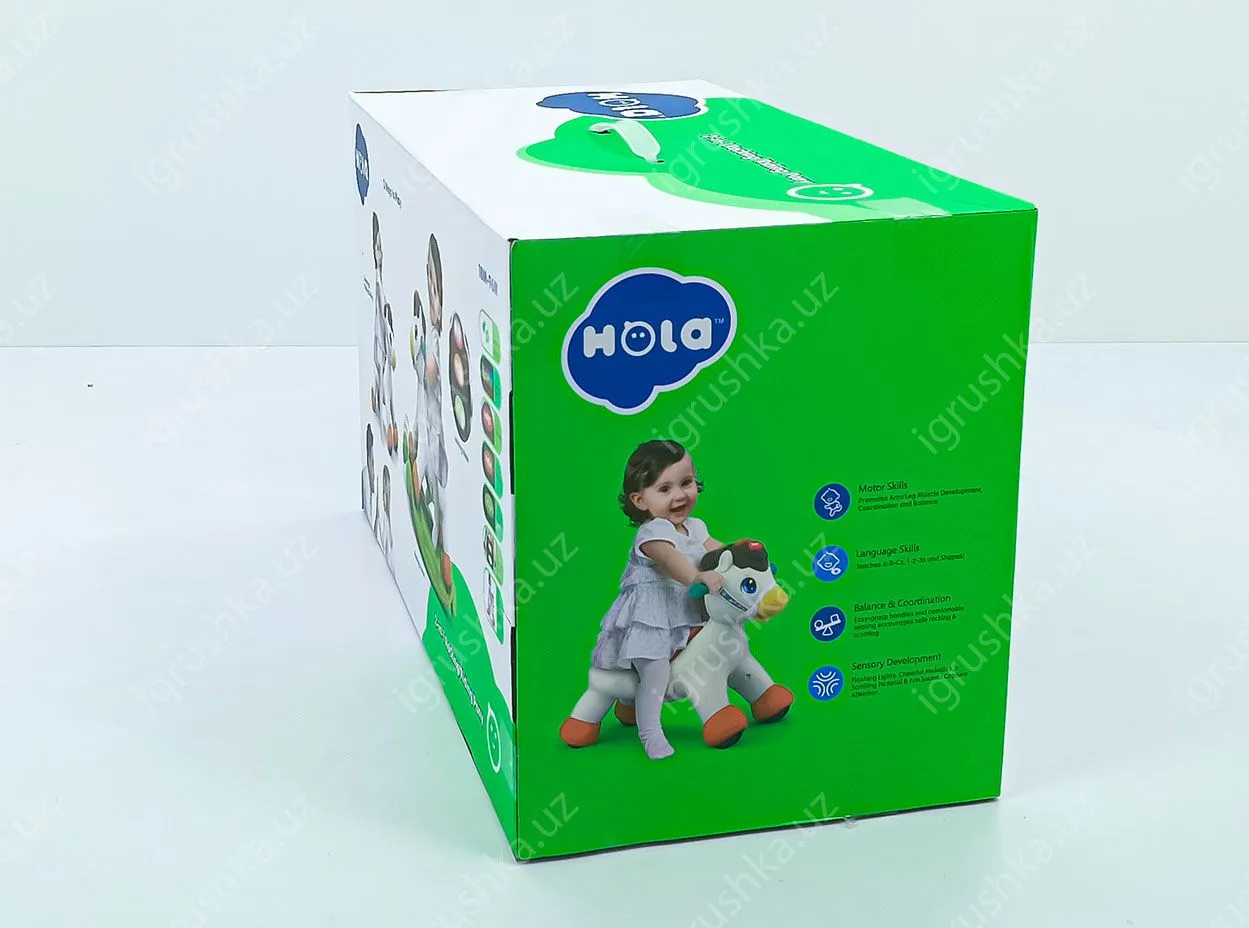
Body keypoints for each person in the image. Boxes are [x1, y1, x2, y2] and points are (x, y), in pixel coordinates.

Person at [589, 440, 726, 760]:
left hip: (683, 611)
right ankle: (650, 732)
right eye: (665, 489)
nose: (680, 495)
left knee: (710, 652)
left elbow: (718, 550)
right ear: (640, 500)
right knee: (656, 671)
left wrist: (743, 558)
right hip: (650, 617)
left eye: (686, 482)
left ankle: (629, 705)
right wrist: (696, 578)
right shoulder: (652, 532)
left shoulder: (696, 527)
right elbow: (669, 558)